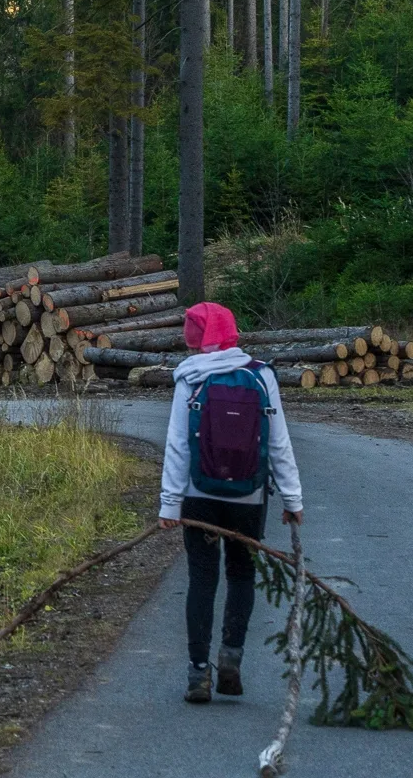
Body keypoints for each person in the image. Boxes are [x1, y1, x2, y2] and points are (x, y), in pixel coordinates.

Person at [159, 300, 302, 704]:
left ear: (198, 335)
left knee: (202, 579)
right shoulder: (260, 375)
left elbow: (176, 445)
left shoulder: (189, 376)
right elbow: (278, 442)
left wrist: (170, 504)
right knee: (241, 575)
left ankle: (198, 674)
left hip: (199, 497)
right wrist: (293, 499)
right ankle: (231, 661)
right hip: (249, 497)